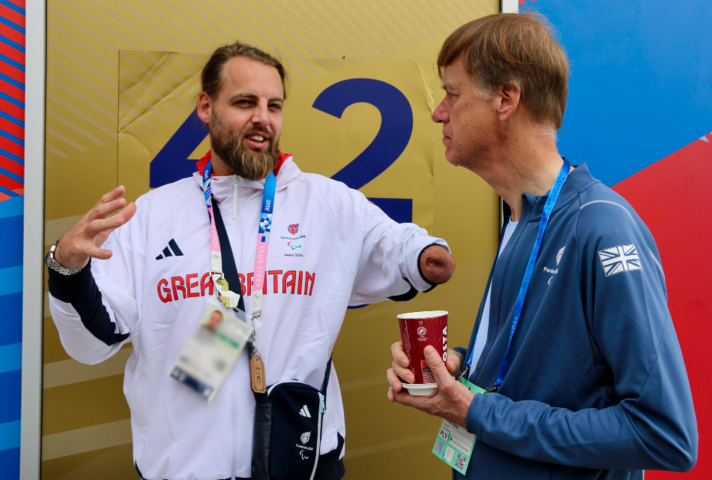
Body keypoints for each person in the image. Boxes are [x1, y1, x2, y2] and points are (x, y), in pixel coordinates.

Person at [46, 41, 455, 480]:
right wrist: (67, 268)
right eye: (245, 102)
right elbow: (91, 342)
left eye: (273, 105)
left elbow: (391, 242)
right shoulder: (150, 216)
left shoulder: (327, 204)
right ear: (206, 107)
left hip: (300, 464)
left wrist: (424, 254)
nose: (263, 117)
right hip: (185, 469)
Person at [387, 13, 697, 479]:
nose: (438, 112)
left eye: (452, 93)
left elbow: (663, 434)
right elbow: (548, 373)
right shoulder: (521, 216)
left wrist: (476, 410)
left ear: (506, 99)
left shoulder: (602, 228)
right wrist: (458, 373)